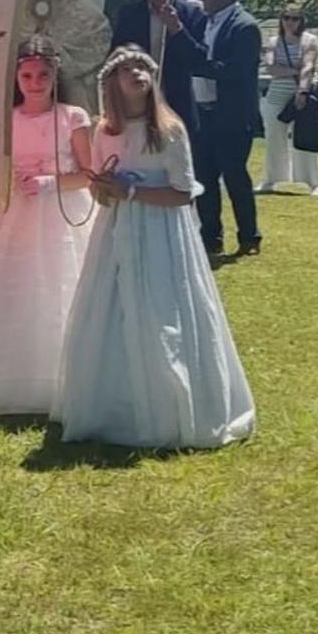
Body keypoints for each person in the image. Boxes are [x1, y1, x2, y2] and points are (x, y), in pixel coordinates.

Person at [53, 46, 256, 449]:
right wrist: (104, 189)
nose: (137, 73)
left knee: (162, 306)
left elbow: (182, 194)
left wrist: (132, 191)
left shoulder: (170, 130)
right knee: (114, 306)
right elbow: (99, 190)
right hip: (116, 232)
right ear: (112, 83)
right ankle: (112, 402)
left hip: (162, 232)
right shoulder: (104, 131)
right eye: (127, 68)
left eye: (143, 67)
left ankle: (171, 399)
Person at [0, 37, 95, 415]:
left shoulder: (73, 117)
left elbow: (88, 174)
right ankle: (10, 375)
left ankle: (64, 375)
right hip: (14, 214)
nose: (35, 82)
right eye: (26, 75)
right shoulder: (5, 119)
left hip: (61, 209)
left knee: (60, 284)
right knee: (15, 286)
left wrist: (51, 182)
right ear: (15, 78)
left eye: (42, 75)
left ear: (55, 74)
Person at [166, 0, 262, 256]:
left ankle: (249, 235)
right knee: (205, 177)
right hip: (203, 112)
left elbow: (234, 71)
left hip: (231, 114)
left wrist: (195, 61)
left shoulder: (244, 26)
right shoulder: (203, 22)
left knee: (234, 176)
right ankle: (211, 237)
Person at [110, 0, 207, 135]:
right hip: (135, 105)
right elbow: (114, 58)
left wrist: (177, 30)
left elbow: (198, 62)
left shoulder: (191, 15)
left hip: (177, 106)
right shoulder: (129, 14)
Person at [19, 0, 111, 112]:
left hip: (69, 87)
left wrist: (57, 51)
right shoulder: (16, 2)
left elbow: (99, 36)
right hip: (23, 81)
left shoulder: (81, 8)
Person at [259, 3, 318, 195]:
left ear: (301, 21)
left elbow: (308, 66)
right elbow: (271, 68)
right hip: (276, 94)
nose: (290, 22)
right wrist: (295, 69)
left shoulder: (309, 40)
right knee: (273, 138)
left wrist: (302, 91)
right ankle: (270, 180)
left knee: (305, 137)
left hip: (299, 91)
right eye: (286, 18)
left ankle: (313, 183)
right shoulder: (273, 41)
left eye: (294, 18)